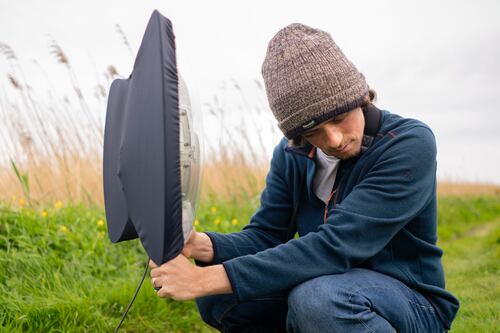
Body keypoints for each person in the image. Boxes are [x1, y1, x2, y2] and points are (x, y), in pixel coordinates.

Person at [149, 23, 459, 332]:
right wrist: (202, 246)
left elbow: (335, 246)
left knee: (317, 300)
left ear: (361, 98)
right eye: (313, 132)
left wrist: (203, 279)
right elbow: (266, 236)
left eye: (340, 118)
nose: (335, 139)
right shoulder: (291, 155)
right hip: (332, 288)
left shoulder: (407, 143)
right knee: (222, 298)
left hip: (411, 303)